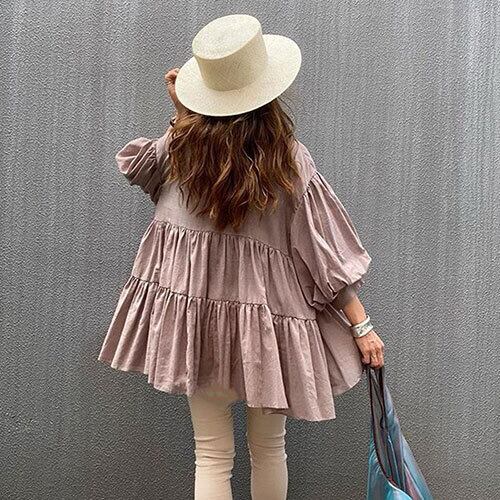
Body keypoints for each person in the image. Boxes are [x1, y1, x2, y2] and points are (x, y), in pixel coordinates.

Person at [98, 14, 384, 500]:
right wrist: (362, 326)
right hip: (266, 330)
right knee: (269, 450)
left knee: (210, 454)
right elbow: (324, 253)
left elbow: (140, 171)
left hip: (198, 326)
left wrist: (181, 116)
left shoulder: (181, 150)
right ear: (267, 92)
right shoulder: (288, 159)